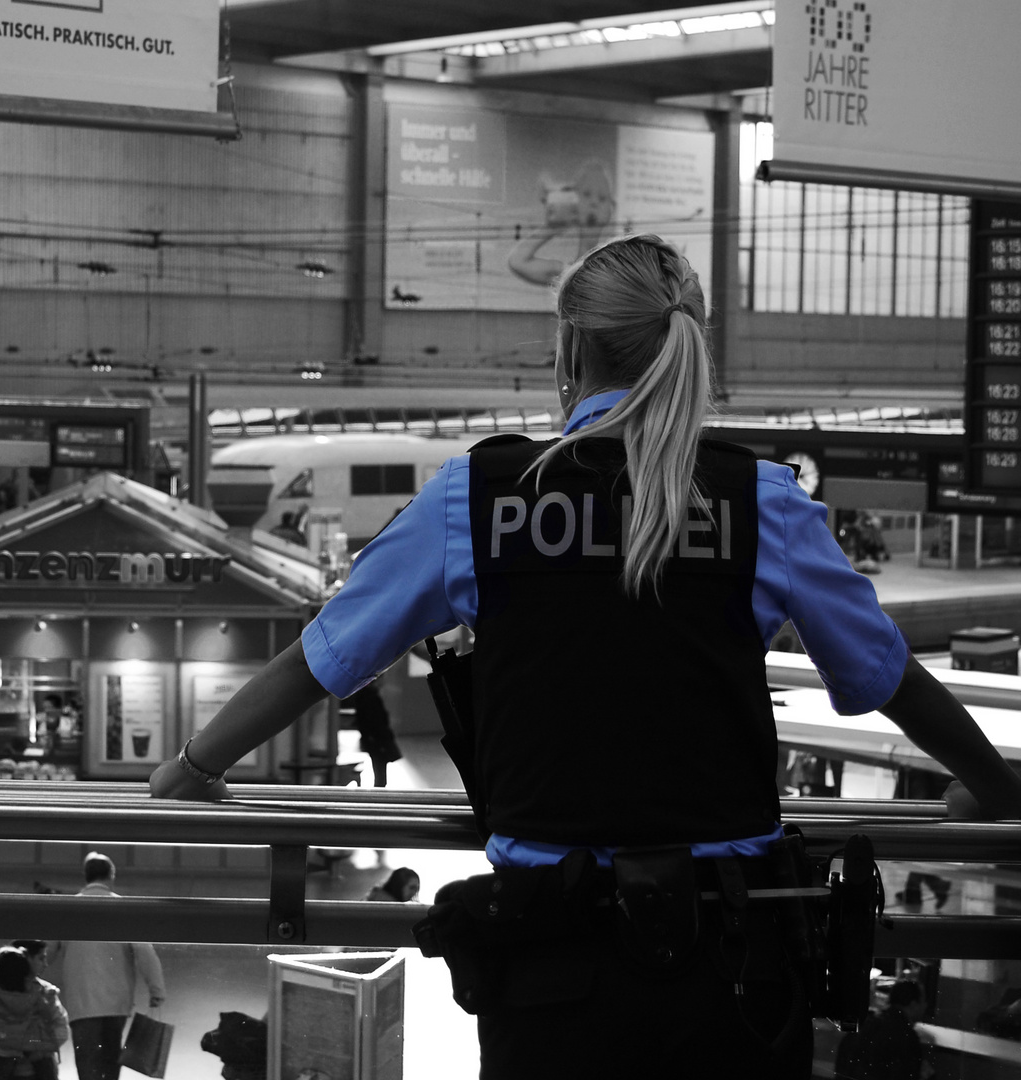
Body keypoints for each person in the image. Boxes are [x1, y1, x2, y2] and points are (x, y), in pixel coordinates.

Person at [149, 234, 1021, 1080]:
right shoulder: (760, 500)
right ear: (688, 345)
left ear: (571, 352)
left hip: (548, 969)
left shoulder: (479, 497)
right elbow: (886, 675)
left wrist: (192, 767)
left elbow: (323, 658)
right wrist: (995, 787)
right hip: (734, 963)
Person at [55, 853, 166, 1080]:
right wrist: (157, 990)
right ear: (111, 876)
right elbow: (145, 952)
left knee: (87, 1065)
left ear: (85, 876)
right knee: (110, 1064)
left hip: (81, 1003)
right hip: (116, 1003)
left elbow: (45, 950)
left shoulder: (67, 909)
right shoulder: (124, 908)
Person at [0, 945, 69, 1080]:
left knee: (3, 1067)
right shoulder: (35, 992)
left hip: (2, 1040)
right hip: (30, 1039)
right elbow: (49, 1016)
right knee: (41, 1054)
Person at [834, 981, 926, 1080]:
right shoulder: (907, 1037)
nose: (926, 1005)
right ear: (913, 1004)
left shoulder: (863, 1025)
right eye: (924, 1001)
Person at [342, 681, 400, 788]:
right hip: (377, 739)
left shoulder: (365, 697)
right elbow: (376, 720)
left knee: (378, 766)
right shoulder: (370, 697)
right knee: (380, 767)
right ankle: (380, 787)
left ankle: (379, 786)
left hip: (374, 739)